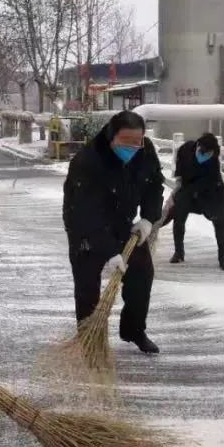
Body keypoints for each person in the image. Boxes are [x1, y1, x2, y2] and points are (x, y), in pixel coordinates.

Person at [62, 111, 164, 354]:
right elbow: (86, 212)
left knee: (142, 276)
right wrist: (108, 251)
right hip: (85, 229)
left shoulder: (145, 152)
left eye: (137, 141)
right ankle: (91, 340)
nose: (132, 147)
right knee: (88, 287)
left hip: (124, 225)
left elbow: (154, 186)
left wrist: (148, 219)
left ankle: (134, 330)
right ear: (111, 136)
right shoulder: (88, 161)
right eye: (125, 141)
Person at [169, 132, 224, 271]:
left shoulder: (213, 158)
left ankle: (223, 258)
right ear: (198, 145)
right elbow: (179, 167)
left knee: (220, 222)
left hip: (212, 192)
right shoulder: (185, 149)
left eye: (209, 153)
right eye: (203, 151)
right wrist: (179, 183)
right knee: (178, 216)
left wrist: (196, 190)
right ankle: (179, 252)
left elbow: (211, 180)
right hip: (188, 188)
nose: (205, 154)